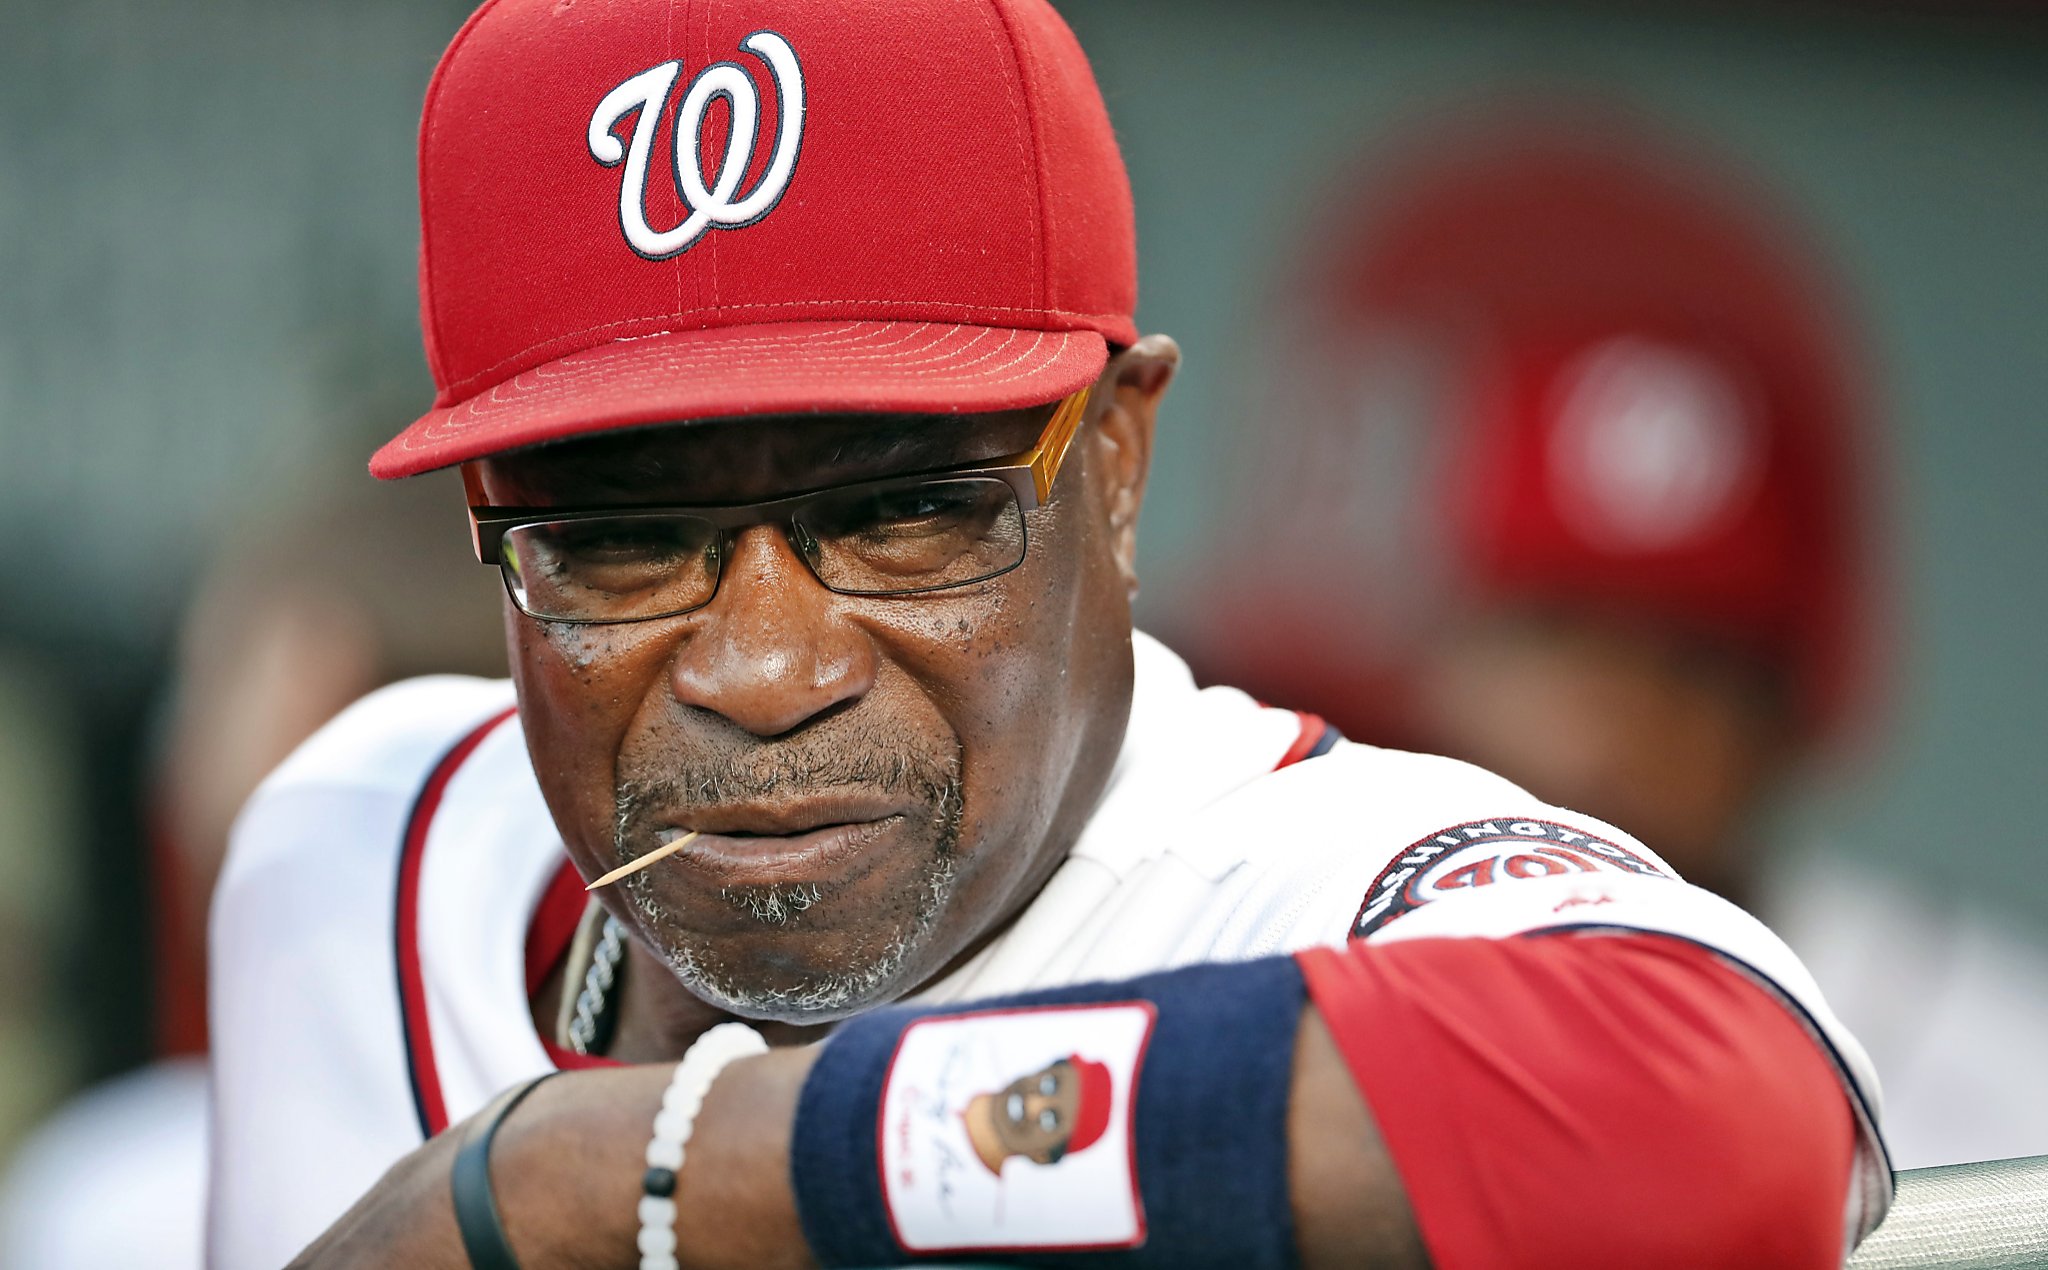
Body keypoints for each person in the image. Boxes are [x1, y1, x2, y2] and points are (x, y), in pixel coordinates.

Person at [207, 4, 1889, 1267]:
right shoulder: (359, 852)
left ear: (1117, 459)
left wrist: (610, 1178)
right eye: (623, 539)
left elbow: (1713, 1114)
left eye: (901, 510)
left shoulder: (1299, 889)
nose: (766, 669)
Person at [1178, 112, 2048, 1170]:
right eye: (1557, 635)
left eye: (1691, 660)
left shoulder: (2008, 1067)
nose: (1615, 717)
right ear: (1444, 658)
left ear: (1788, 708)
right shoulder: (1265, 969)